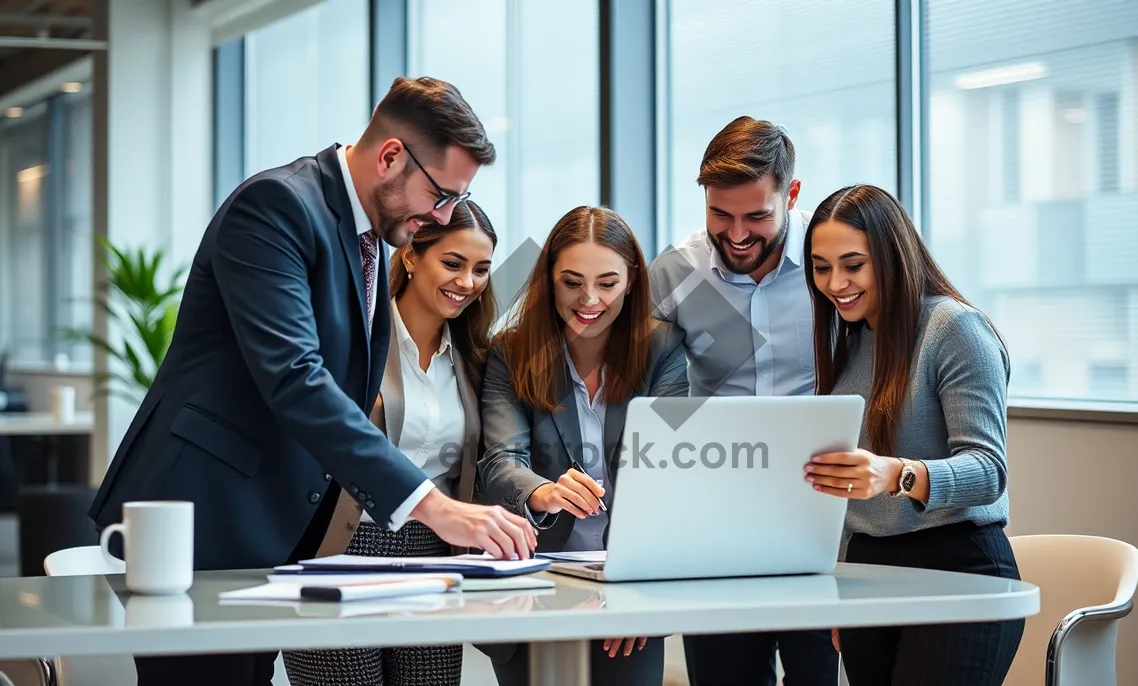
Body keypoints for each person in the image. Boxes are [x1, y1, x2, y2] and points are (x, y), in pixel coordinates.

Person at [86, 76, 536, 686]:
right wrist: (434, 508)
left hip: (272, 530)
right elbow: (297, 377)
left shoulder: (366, 237)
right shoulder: (276, 207)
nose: (443, 216)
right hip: (203, 518)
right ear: (390, 156)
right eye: (441, 196)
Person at [803, 184, 1022, 685]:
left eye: (853, 265)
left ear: (891, 254)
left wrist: (895, 474)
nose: (835, 283)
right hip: (868, 573)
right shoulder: (853, 342)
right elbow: (844, 496)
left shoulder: (954, 328)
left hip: (959, 570)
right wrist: (839, 580)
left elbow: (989, 472)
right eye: (821, 267)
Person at [647, 116, 838, 686]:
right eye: (719, 215)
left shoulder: (833, 266)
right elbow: (638, 385)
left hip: (820, 511)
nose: (736, 235)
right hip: (718, 517)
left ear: (792, 194)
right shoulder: (675, 273)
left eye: (757, 216)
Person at [282, 199, 498, 686]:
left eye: (481, 269)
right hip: (340, 544)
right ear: (410, 257)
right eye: (453, 263)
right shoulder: (349, 340)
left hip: (433, 554)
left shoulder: (476, 358)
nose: (467, 282)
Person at [477, 205, 689, 686]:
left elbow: (666, 475)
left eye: (607, 283)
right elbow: (501, 460)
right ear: (550, 279)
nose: (589, 299)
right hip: (533, 584)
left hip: (630, 579)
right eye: (571, 282)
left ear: (632, 280)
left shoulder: (663, 349)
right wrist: (542, 492)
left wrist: (636, 584)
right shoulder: (510, 352)